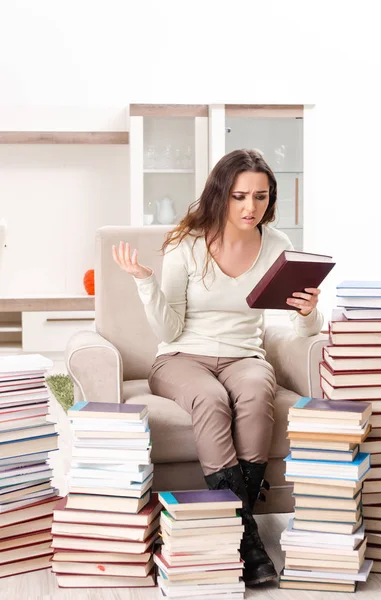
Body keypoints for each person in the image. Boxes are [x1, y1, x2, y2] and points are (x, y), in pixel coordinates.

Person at [112, 148, 323, 586]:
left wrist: (309, 311)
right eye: (240, 196)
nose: (251, 208)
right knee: (210, 399)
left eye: (261, 197)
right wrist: (144, 282)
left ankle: (238, 529)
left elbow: (302, 330)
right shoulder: (187, 245)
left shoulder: (278, 245)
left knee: (254, 392)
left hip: (245, 355)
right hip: (181, 356)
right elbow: (169, 328)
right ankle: (248, 535)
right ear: (221, 195)